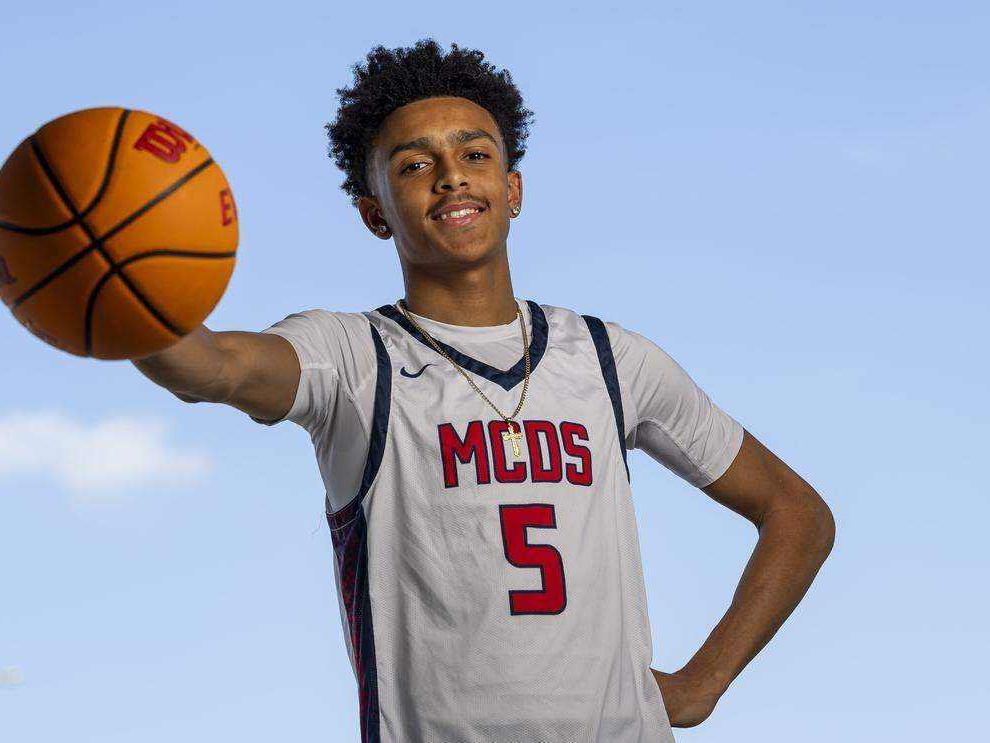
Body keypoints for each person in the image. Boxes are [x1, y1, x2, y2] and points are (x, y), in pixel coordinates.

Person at [132, 39, 835, 743]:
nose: (450, 177)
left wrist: (703, 683)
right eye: (414, 164)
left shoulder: (609, 358)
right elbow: (211, 367)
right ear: (374, 212)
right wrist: (111, 289)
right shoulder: (352, 358)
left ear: (513, 189)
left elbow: (796, 512)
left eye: (475, 155)